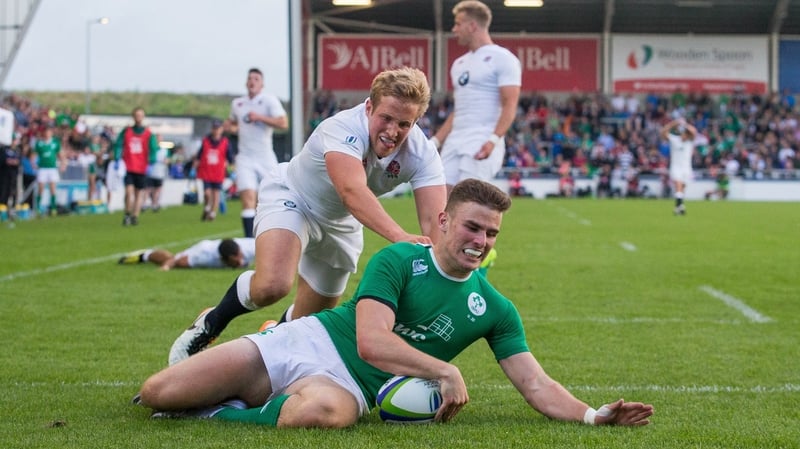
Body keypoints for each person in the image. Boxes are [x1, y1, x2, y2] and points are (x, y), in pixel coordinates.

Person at [137, 179, 655, 429]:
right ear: (444, 222)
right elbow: (371, 341)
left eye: (491, 233)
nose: (480, 241)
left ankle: (222, 413)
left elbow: (536, 384)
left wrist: (593, 416)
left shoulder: (496, 309)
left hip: (349, 387)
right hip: (309, 340)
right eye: (472, 227)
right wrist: (444, 371)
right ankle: (254, 358)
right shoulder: (401, 259)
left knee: (325, 414)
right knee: (157, 392)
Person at [167, 66, 447, 367]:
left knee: (306, 322)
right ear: (369, 107)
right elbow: (351, 191)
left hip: (342, 223)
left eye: (404, 124)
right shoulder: (342, 127)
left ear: (416, 122)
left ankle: (273, 333)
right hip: (294, 198)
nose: (392, 132)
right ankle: (211, 322)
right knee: (272, 285)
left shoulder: (422, 153)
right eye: (386, 118)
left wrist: (442, 271)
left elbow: (435, 224)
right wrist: (401, 237)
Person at [430, 0, 521, 195]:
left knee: (469, 200)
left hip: (481, 136)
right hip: (455, 139)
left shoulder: (503, 58)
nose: (454, 29)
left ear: (472, 26)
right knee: (441, 199)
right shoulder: (458, 64)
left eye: (458, 24)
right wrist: (435, 142)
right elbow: (459, 110)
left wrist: (493, 140)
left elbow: (510, 104)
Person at [229, 68, 289, 237]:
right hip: (245, 157)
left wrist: (260, 117)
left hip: (264, 156)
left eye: (256, 79)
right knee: (248, 198)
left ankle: (273, 234)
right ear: (246, 83)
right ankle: (249, 241)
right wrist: (230, 127)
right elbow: (232, 123)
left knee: (272, 198)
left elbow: (283, 123)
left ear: (262, 84)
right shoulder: (237, 103)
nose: (252, 81)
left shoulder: (269, 100)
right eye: (250, 78)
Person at [114, 107, 159, 225]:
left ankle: (135, 216)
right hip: (128, 166)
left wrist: (151, 162)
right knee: (128, 192)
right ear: (133, 116)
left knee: (139, 193)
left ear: (143, 117)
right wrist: (117, 158)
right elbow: (118, 144)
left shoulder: (148, 134)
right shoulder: (127, 131)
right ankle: (127, 213)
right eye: (136, 115)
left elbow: (154, 149)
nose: (138, 117)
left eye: (140, 115)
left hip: (141, 167)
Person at [118, 238, 255, 271]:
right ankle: (145, 255)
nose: (240, 261)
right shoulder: (203, 255)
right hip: (202, 247)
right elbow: (175, 260)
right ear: (223, 260)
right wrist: (165, 267)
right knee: (175, 261)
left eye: (240, 256)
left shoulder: (250, 247)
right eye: (235, 260)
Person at [193, 119, 233, 221]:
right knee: (207, 193)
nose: (216, 130)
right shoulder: (205, 140)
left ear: (221, 129)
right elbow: (199, 155)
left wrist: (232, 168)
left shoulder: (225, 142)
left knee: (216, 193)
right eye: (214, 128)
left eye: (218, 128)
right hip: (206, 171)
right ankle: (207, 206)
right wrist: (194, 166)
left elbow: (230, 158)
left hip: (218, 172)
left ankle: (213, 213)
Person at [660, 118, 697, 215]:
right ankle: (680, 206)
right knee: (678, 185)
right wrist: (673, 124)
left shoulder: (690, 142)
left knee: (682, 188)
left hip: (687, 168)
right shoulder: (674, 139)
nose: (686, 135)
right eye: (685, 133)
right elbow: (663, 133)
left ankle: (679, 207)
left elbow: (694, 131)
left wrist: (684, 124)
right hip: (676, 167)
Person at [33, 125, 64, 216]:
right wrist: (34, 164)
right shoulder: (39, 143)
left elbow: (60, 154)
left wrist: (63, 164)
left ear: (51, 133)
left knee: (53, 188)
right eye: (46, 132)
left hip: (52, 168)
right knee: (41, 188)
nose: (47, 134)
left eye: (49, 132)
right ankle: (38, 208)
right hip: (42, 168)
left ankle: (53, 208)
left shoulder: (55, 143)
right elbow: (33, 155)